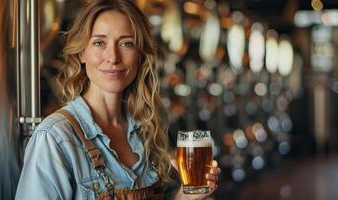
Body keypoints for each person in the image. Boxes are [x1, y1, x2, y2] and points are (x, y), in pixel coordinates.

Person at [15, 0, 220, 199]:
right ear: (81, 54)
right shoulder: (55, 138)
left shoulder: (147, 129)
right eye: (99, 42)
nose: (113, 57)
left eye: (126, 43)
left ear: (140, 55)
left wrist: (185, 197)